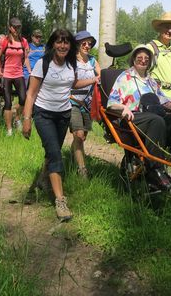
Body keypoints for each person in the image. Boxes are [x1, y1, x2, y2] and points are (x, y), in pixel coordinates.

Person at [22, 29, 98, 221]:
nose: (62, 46)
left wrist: (94, 80)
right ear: (53, 44)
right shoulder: (43, 64)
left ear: (70, 45)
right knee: (56, 154)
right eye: (59, 42)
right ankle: (60, 201)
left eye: (66, 42)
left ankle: (42, 181)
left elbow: (74, 84)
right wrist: (27, 119)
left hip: (63, 115)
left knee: (51, 151)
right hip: (43, 114)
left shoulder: (71, 64)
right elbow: (31, 94)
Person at [107, 45, 171, 192]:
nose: (143, 61)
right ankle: (155, 171)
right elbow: (111, 104)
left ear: (150, 61)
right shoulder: (124, 77)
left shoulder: (151, 80)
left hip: (152, 115)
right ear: (133, 60)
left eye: (146, 58)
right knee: (157, 121)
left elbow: (162, 99)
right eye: (139, 58)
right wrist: (123, 108)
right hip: (132, 117)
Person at [69, 30, 101, 179]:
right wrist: (93, 80)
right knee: (79, 135)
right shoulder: (71, 62)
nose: (87, 46)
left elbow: (101, 76)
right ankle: (82, 171)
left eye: (90, 43)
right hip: (73, 102)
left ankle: (71, 157)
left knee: (82, 137)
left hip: (89, 104)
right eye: (84, 43)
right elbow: (73, 83)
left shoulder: (93, 61)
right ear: (77, 44)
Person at [0, 18, 31, 136]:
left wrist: (30, 71)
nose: (16, 29)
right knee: (7, 102)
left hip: (19, 74)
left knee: (23, 99)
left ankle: (17, 119)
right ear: (10, 27)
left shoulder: (23, 41)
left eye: (18, 27)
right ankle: (9, 130)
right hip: (6, 74)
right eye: (14, 27)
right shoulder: (4, 41)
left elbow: (25, 58)